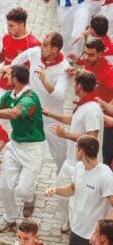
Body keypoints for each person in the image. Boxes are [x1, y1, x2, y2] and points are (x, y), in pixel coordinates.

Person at [43, 72, 105, 231]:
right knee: (63, 194)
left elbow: (92, 139)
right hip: (73, 160)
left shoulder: (91, 109)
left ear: (79, 86)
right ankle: (70, 221)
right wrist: (50, 113)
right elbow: (74, 119)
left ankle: (77, 225)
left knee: (76, 197)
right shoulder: (84, 105)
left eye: (74, 84)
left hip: (83, 164)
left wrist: (66, 134)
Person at [45, 136, 113, 245]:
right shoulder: (79, 167)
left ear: (81, 151)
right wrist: (56, 190)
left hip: (94, 236)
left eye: (76, 148)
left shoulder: (104, 175)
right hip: (76, 230)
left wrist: (100, 230)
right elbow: (72, 189)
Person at [0, 64, 45, 228]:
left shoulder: (30, 98)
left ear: (15, 79)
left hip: (32, 148)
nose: (5, 77)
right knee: (5, 187)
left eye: (7, 75)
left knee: (22, 189)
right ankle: (11, 218)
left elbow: (15, 113)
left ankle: (29, 198)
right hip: (14, 145)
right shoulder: (9, 95)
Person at [10, 31, 70, 173]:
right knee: (22, 149)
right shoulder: (35, 52)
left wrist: (44, 81)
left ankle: (63, 183)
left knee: (60, 156)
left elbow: (60, 95)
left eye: (45, 45)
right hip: (31, 115)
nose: (40, 47)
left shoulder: (64, 68)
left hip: (52, 119)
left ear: (54, 50)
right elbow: (15, 63)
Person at [0, 8, 41, 123]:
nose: (8, 28)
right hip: (4, 84)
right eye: (7, 25)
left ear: (21, 24)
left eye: (11, 25)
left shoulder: (33, 44)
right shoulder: (7, 37)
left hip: (20, 90)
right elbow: (3, 55)